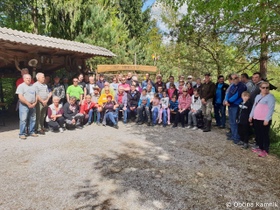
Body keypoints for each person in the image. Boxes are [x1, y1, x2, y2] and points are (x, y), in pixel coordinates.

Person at [249, 82, 275, 157]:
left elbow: (271, 109)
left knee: (264, 135)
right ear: (260, 88)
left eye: (267, 88)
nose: (265, 89)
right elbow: (254, 106)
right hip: (256, 118)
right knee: (258, 134)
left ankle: (265, 150)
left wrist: (267, 119)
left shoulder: (270, 97)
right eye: (263, 88)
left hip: (264, 119)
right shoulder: (258, 96)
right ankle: (260, 147)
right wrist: (251, 116)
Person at [224, 74, 247, 143]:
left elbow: (237, 95)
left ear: (239, 78)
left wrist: (229, 101)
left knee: (234, 121)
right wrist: (226, 100)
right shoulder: (232, 85)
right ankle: (233, 135)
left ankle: (236, 137)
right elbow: (228, 93)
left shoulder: (242, 86)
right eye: (232, 78)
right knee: (231, 121)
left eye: (235, 78)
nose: (234, 79)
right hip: (230, 105)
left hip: (235, 105)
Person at [15, 74, 38, 139]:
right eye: (27, 78)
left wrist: (35, 102)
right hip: (24, 105)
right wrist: (28, 103)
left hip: (33, 105)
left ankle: (32, 132)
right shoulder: (21, 86)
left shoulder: (33, 86)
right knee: (23, 119)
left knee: (33, 119)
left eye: (29, 78)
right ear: (24, 79)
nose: (28, 79)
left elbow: (36, 95)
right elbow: (20, 97)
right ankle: (22, 133)